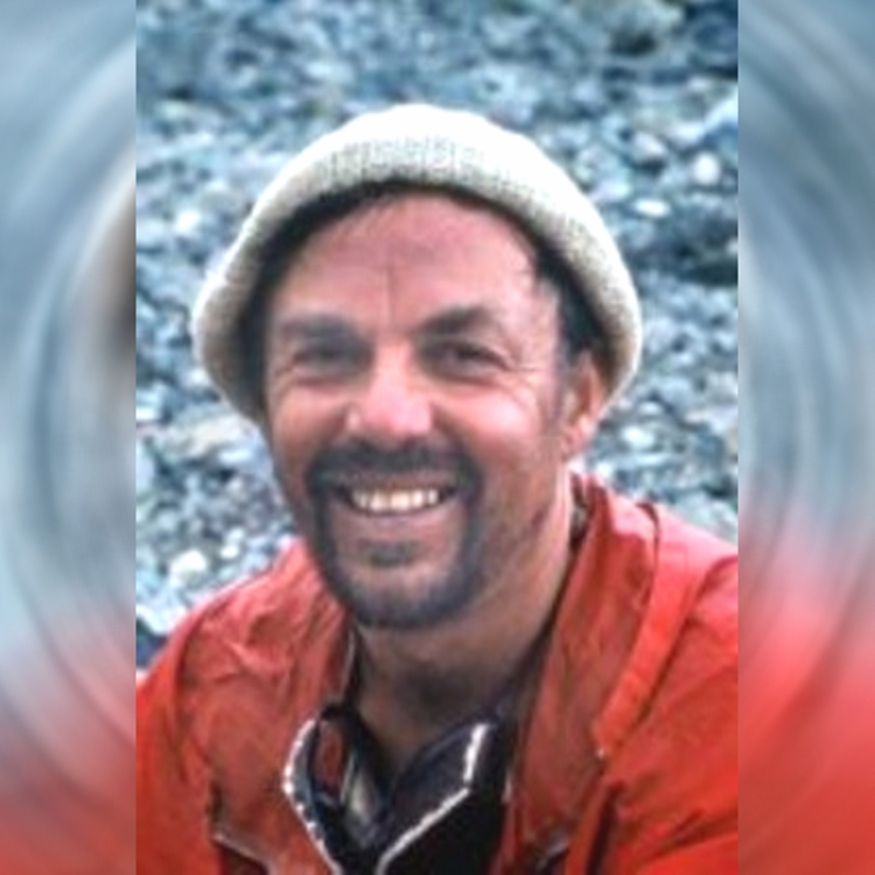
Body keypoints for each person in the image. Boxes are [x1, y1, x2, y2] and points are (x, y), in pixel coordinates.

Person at [137, 104, 737, 874]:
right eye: (324, 356)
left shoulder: (743, 703)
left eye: (463, 355)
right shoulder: (214, 685)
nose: (386, 417)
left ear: (578, 399)